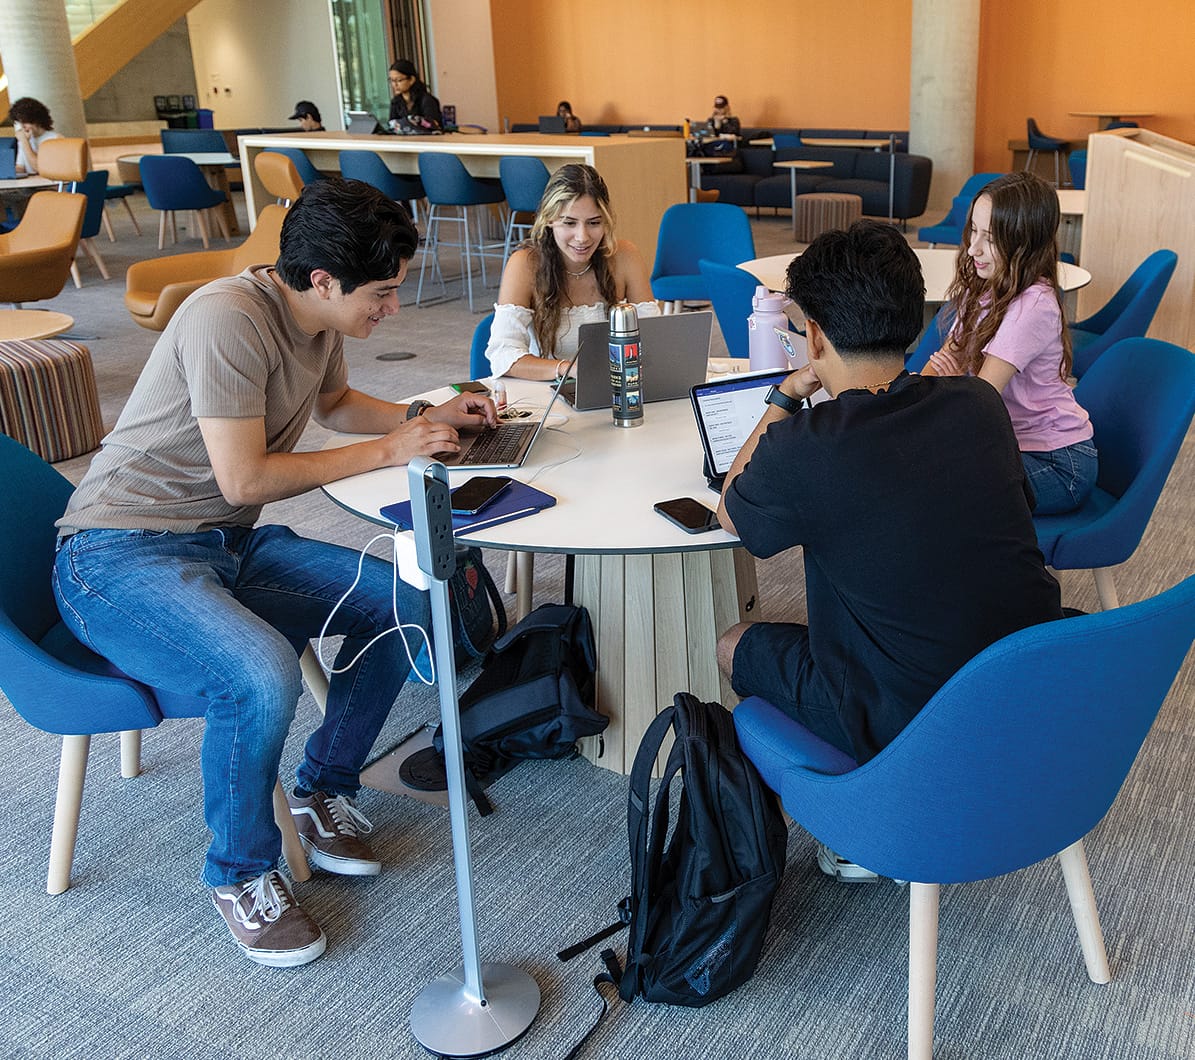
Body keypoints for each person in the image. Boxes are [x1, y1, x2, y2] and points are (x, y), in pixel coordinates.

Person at [52, 178, 497, 968]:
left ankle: (323, 788)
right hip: (117, 553)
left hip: (220, 545)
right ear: (322, 281)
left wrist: (419, 418)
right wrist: (393, 452)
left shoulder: (316, 320)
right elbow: (246, 481)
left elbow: (333, 406)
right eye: (383, 293)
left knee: (406, 598)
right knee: (259, 675)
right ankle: (240, 872)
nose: (393, 309)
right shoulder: (229, 318)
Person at [715, 222, 1063, 874]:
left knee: (733, 643)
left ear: (813, 335)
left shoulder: (807, 446)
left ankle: (862, 824)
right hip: (1027, 684)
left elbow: (728, 511)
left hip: (914, 721)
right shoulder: (978, 406)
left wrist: (787, 392)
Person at [920, 171, 1097, 514]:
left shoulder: (1033, 304)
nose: (973, 248)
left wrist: (949, 384)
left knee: (928, 484)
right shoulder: (987, 288)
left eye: (990, 237)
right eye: (973, 230)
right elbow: (942, 365)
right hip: (1005, 443)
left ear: (1023, 241)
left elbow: (978, 402)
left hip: (1060, 464)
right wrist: (931, 389)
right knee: (909, 464)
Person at [485, 163, 658, 379]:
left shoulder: (625, 256)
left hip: (616, 387)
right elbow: (503, 355)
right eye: (569, 223)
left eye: (594, 223)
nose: (582, 237)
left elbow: (653, 340)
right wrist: (568, 369)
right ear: (549, 219)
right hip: (548, 391)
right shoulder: (525, 264)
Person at [9, 96, 62, 175]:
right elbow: (21, 167)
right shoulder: (24, 139)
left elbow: (40, 168)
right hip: (29, 184)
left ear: (37, 120)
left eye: (25, 122)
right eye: (20, 122)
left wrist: (25, 142)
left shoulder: (55, 139)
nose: (22, 126)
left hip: (49, 185)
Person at [387, 59, 442, 132]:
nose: (395, 85)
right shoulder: (396, 102)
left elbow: (433, 124)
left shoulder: (427, 100)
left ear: (411, 80)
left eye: (399, 80)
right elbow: (392, 126)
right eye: (392, 80)